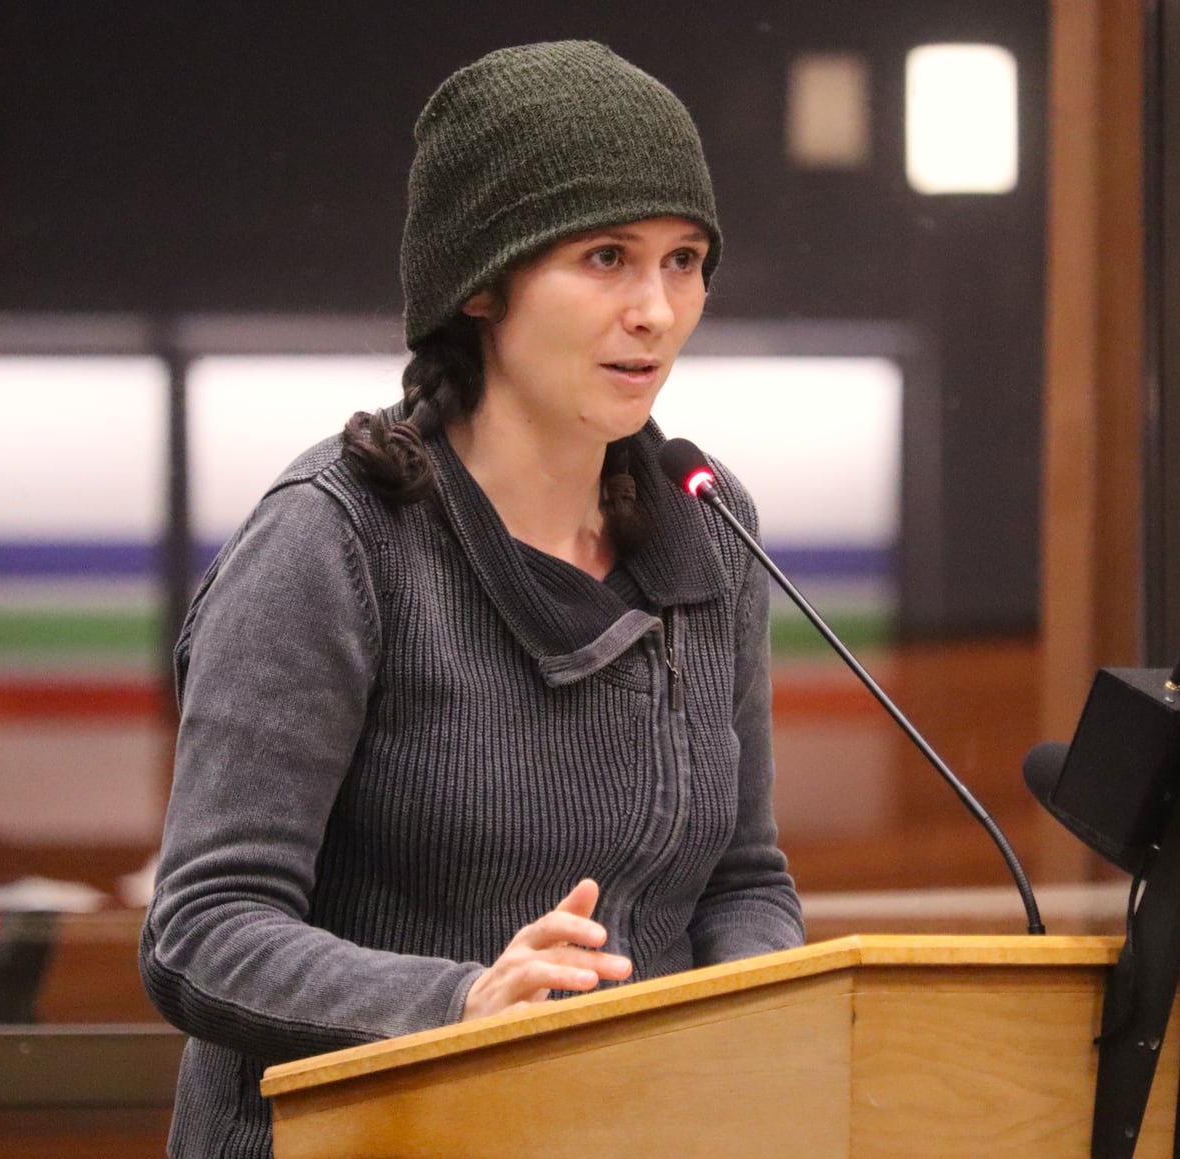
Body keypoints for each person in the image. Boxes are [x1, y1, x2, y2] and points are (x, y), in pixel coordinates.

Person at [139, 40, 804, 1158]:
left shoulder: (707, 518)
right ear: (482, 282)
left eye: (684, 260)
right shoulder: (336, 534)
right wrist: (460, 1009)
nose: (657, 309)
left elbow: (742, 876)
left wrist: (766, 1020)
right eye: (606, 257)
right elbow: (203, 930)